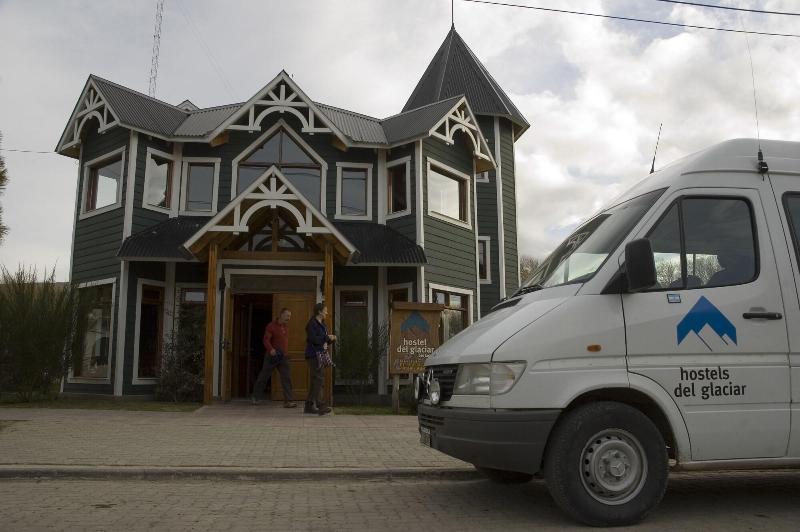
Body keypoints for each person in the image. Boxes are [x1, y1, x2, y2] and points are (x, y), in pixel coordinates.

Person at [252, 307, 296, 408]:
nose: (289, 318)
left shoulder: (286, 327)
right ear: (281, 315)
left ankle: (288, 401)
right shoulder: (271, 326)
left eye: (290, 316)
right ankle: (256, 396)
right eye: (287, 315)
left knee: (287, 378)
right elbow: (266, 340)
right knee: (264, 377)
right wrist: (271, 349)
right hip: (271, 356)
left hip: (283, 357)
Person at [304, 302, 336, 415]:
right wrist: (327, 337)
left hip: (321, 354)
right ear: (319, 311)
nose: (327, 312)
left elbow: (323, 340)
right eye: (325, 310)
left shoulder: (323, 323)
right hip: (313, 355)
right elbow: (314, 339)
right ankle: (320, 405)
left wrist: (331, 339)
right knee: (319, 378)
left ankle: (308, 406)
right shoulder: (311, 324)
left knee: (315, 380)